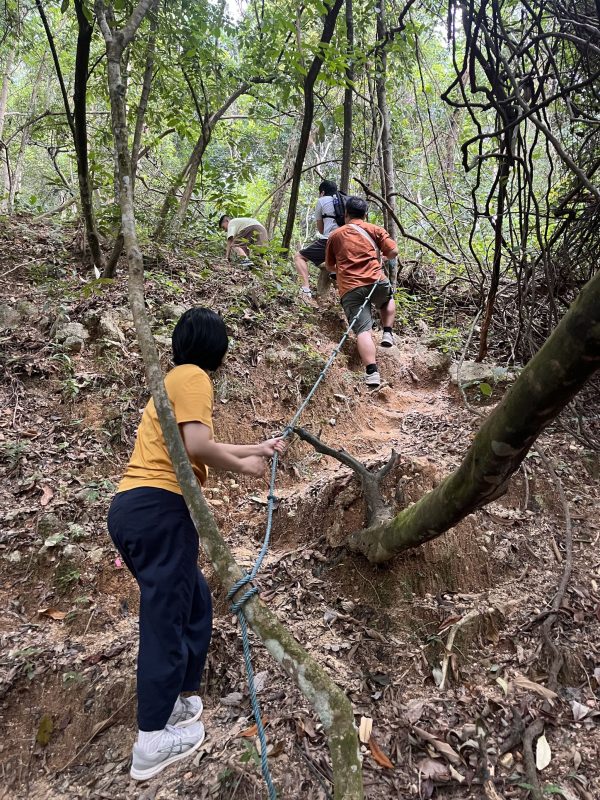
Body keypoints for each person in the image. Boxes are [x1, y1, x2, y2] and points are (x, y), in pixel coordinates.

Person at [107, 307, 285, 781]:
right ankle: (151, 740)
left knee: (193, 600)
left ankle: (177, 704)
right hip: (159, 507)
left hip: (139, 509)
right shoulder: (193, 378)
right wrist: (246, 467)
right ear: (216, 349)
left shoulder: (175, 379)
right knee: (167, 615)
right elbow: (198, 448)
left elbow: (198, 441)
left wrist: (257, 449)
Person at [325, 195, 398, 388]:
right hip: (376, 281)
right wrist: (382, 256)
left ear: (346, 213)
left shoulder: (335, 235)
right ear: (365, 214)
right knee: (387, 299)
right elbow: (393, 252)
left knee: (363, 331)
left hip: (350, 288)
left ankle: (372, 373)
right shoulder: (375, 229)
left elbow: (330, 266)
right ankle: (388, 333)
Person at [293, 179, 341, 305]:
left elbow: (320, 228)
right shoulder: (344, 201)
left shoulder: (322, 200)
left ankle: (306, 289)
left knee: (299, 256)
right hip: (347, 242)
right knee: (331, 266)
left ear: (322, 192)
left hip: (329, 240)